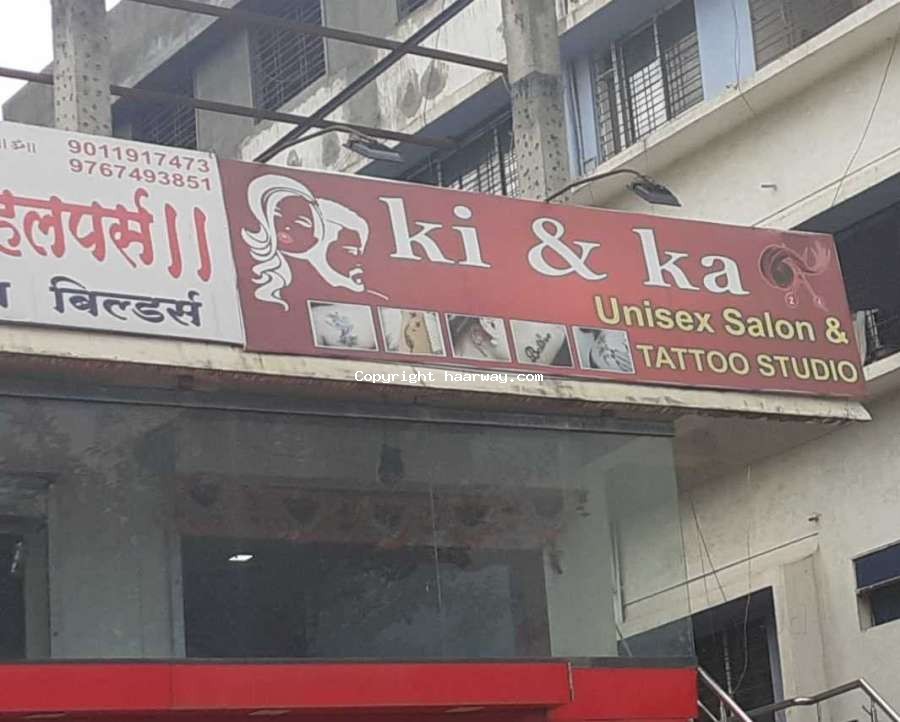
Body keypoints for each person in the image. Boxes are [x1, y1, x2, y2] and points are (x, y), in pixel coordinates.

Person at [241, 175, 376, 310]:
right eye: (277, 216)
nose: (286, 227)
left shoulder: (331, 281)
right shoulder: (275, 273)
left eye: (300, 223)